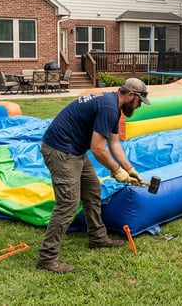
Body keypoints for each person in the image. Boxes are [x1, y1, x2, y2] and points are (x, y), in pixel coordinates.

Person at [36, 78, 151, 273]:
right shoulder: (109, 108)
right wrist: (117, 171)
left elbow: (114, 144)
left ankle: (97, 238)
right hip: (60, 150)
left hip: (75, 150)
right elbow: (97, 148)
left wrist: (129, 169)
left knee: (92, 189)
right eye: (139, 101)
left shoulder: (114, 106)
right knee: (68, 203)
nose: (139, 105)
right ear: (131, 96)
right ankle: (47, 258)